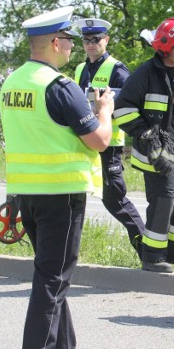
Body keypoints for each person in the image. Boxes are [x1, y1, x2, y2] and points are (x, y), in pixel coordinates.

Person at [0, 6, 114, 349]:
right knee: (53, 278)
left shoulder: (13, 82)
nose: (72, 47)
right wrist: (105, 110)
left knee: (50, 272)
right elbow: (98, 141)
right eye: (67, 39)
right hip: (60, 193)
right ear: (53, 42)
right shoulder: (58, 86)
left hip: (27, 192)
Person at [114, 17, 174, 273]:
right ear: (165, 45)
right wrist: (146, 135)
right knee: (164, 197)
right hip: (157, 145)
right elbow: (122, 108)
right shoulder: (146, 73)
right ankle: (152, 256)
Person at [74, 17, 145, 256]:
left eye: (96, 39)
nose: (91, 44)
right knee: (74, 197)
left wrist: (105, 109)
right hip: (85, 143)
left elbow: (131, 103)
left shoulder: (117, 69)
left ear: (106, 40)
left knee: (114, 199)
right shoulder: (80, 69)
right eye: (86, 40)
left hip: (109, 145)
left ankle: (147, 250)